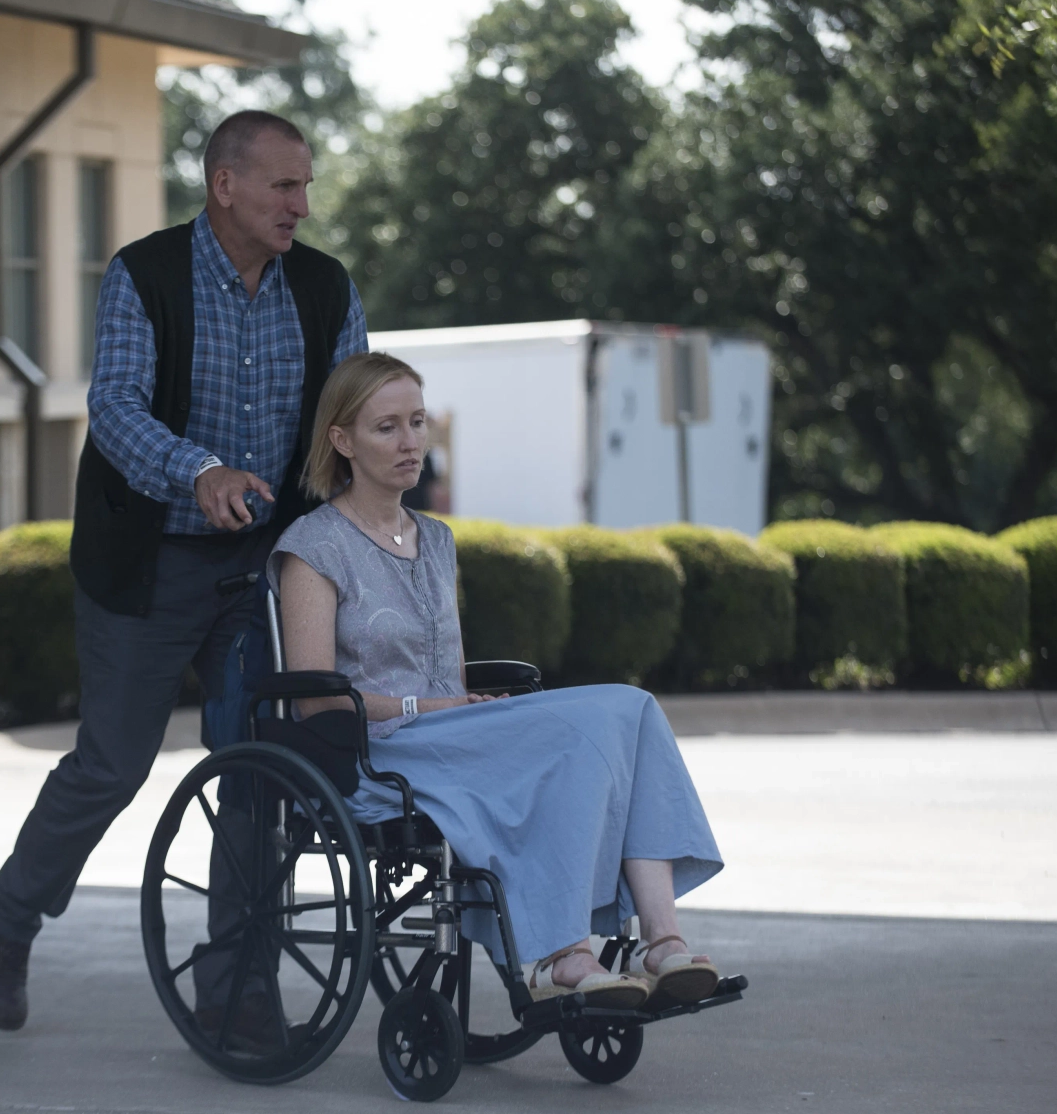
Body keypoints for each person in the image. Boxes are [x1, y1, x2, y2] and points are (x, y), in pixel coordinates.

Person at [0, 111, 368, 1039]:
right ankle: (11, 914)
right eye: (283, 186)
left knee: (258, 772)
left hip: (268, 568)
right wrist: (200, 470)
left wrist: (381, 462)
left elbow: (347, 409)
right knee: (111, 764)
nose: (301, 206)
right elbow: (112, 407)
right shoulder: (144, 273)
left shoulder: (322, 284)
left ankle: (240, 984)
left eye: (305, 187)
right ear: (225, 185)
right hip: (151, 560)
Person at [272, 352, 726, 1005]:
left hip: (458, 732)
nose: (410, 443)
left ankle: (662, 942)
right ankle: (560, 954)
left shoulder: (436, 540)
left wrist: (462, 702)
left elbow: (446, 665)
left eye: (418, 423)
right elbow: (315, 701)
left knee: (632, 709)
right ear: (341, 440)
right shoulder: (313, 547)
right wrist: (428, 706)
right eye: (387, 427)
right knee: (592, 724)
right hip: (385, 751)